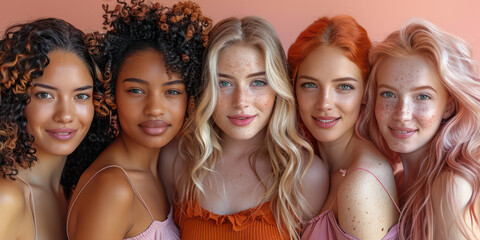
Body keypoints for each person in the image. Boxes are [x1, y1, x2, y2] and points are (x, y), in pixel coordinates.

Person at [159, 16, 328, 240]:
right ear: (206, 87)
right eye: (224, 83)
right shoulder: (176, 159)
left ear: (278, 88)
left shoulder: (305, 176)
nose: (241, 101)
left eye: (258, 82)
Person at [66, 1, 211, 239]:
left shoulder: (162, 169)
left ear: (190, 98)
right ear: (112, 95)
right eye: (136, 90)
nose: (154, 109)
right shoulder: (113, 188)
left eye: (172, 91)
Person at [359, 19, 480, 240]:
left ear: (449, 106)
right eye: (388, 94)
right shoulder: (396, 180)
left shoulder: (451, 187)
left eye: (422, 96)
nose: (402, 114)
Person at [288, 15, 400, 240]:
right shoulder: (307, 163)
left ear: (365, 93)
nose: (324, 103)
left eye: (344, 87)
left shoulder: (361, 187)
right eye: (310, 85)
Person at [0, 18, 109, 240]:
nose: (65, 115)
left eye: (81, 96)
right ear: (17, 100)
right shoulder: (7, 198)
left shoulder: (76, 190)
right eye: (45, 95)